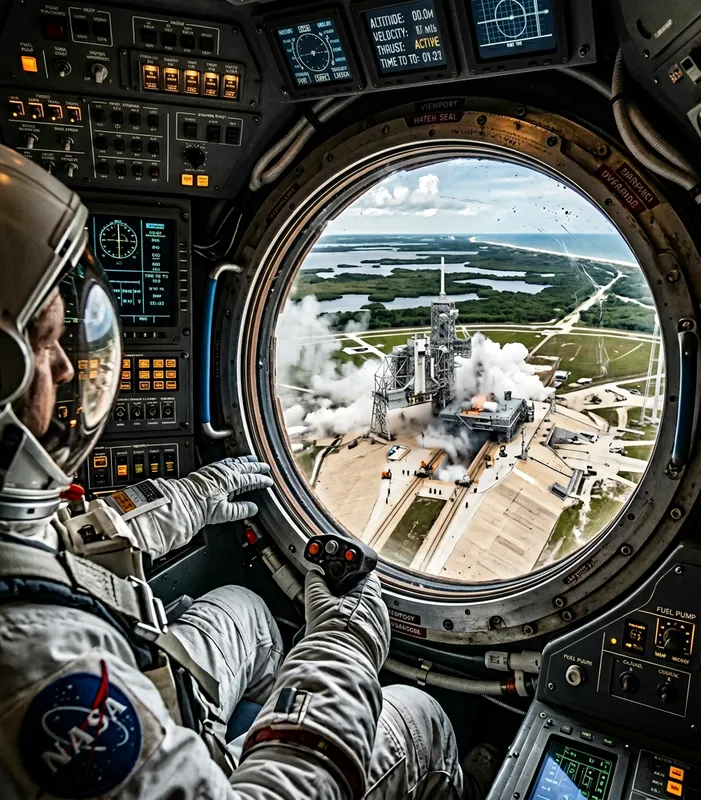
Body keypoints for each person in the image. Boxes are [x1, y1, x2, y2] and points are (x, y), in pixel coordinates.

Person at [0, 147, 496, 799]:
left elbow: (54, 545)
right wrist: (344, 642)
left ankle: (254, 734)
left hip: (148, 681)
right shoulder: (40, 671)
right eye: (44, 344)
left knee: (250, 612)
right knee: (419, 718)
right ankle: (273, 753)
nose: (65, 369)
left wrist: (191, 496)